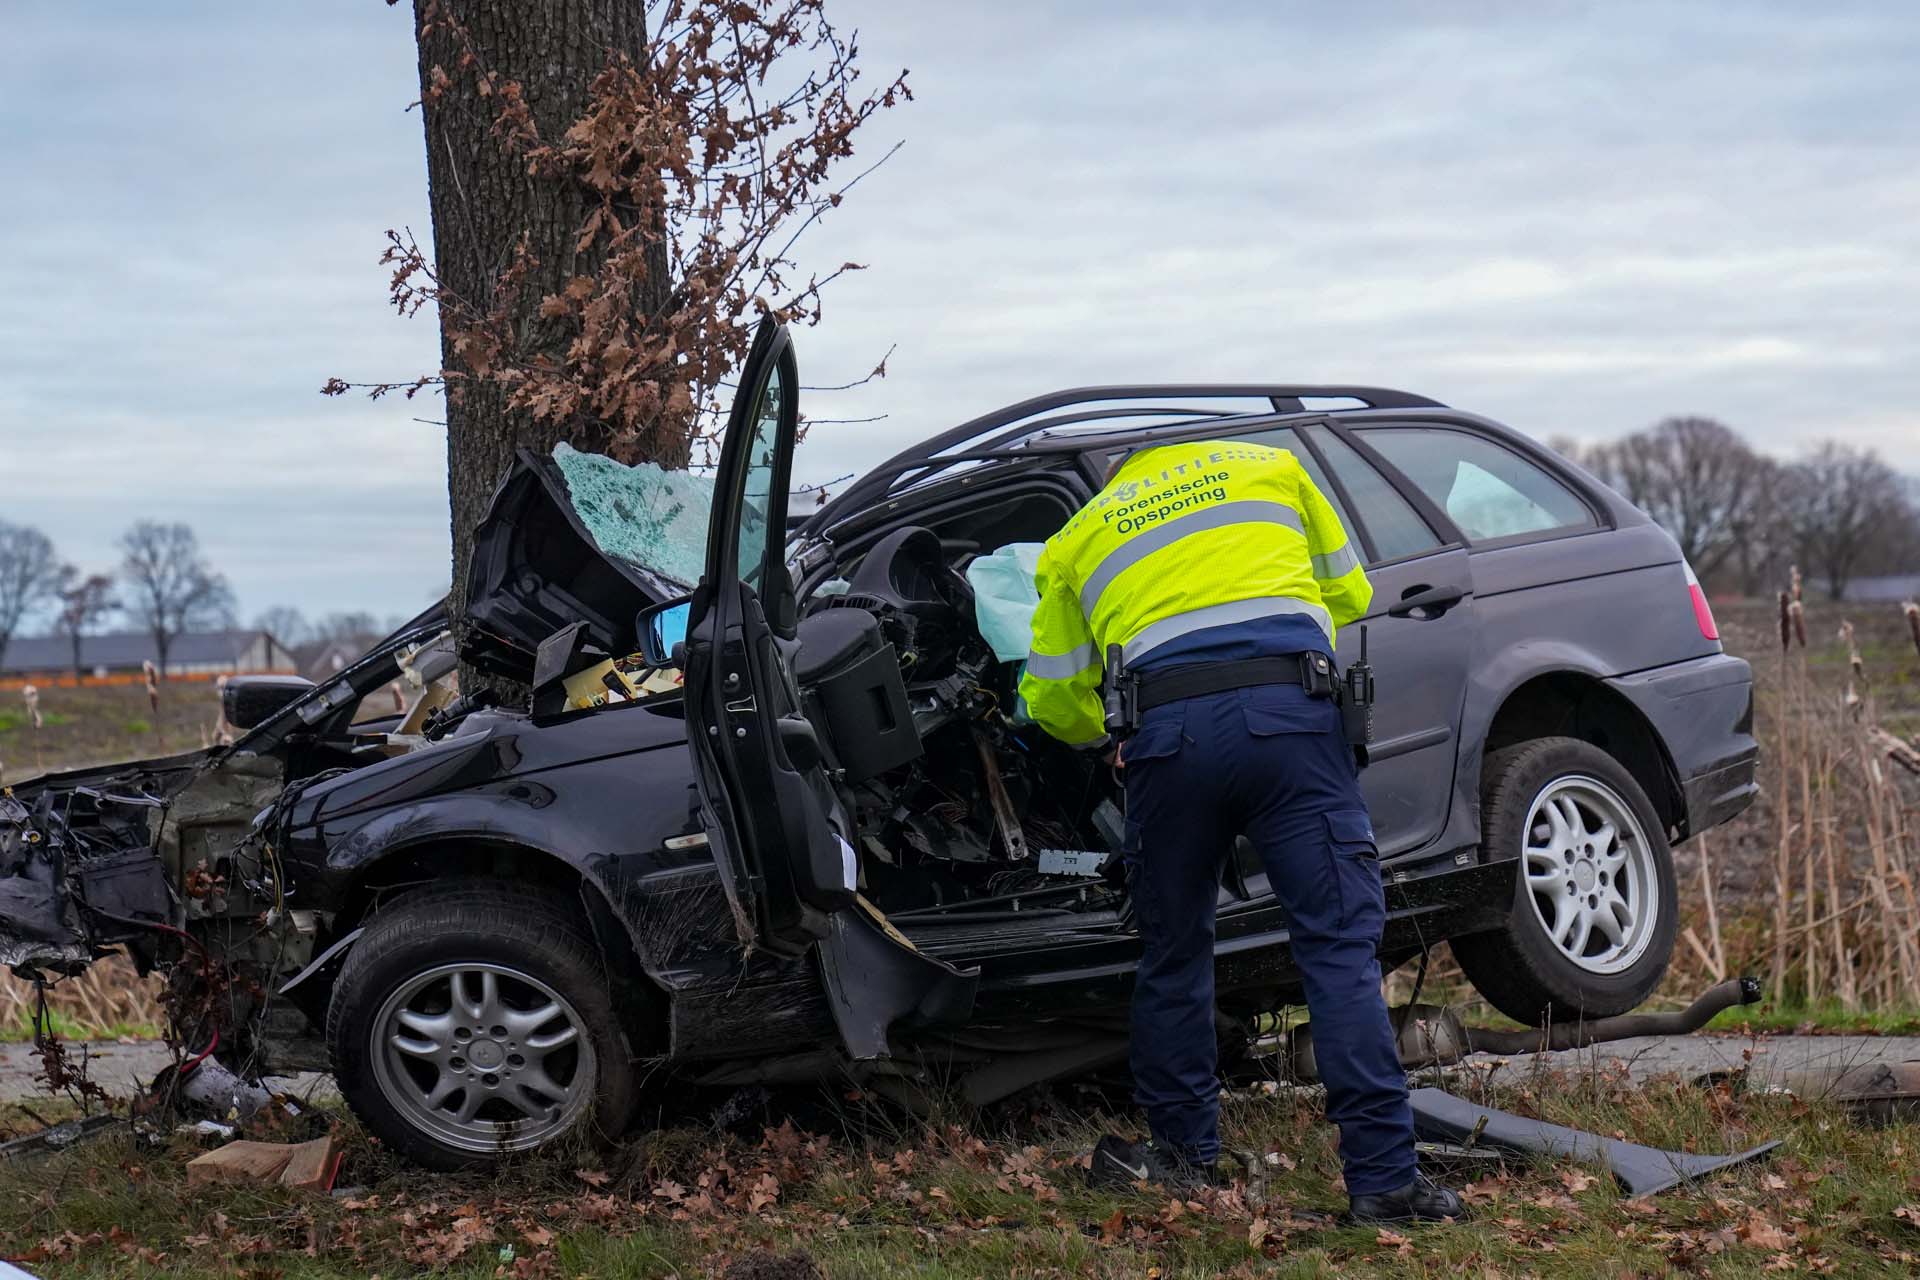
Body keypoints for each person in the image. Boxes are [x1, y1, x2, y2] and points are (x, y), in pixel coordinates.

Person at [1017, 439, 1464, 1224]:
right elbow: (1349, 592)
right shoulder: (1272, 469)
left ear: (1123, 478)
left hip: (1166, 742)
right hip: (1291, 723)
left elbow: (1052, 699)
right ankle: (1385, 1184)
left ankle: (1187, 1161)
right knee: (1335, 948)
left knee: (1175, 953)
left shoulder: (1078, 535)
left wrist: (1113, 729)